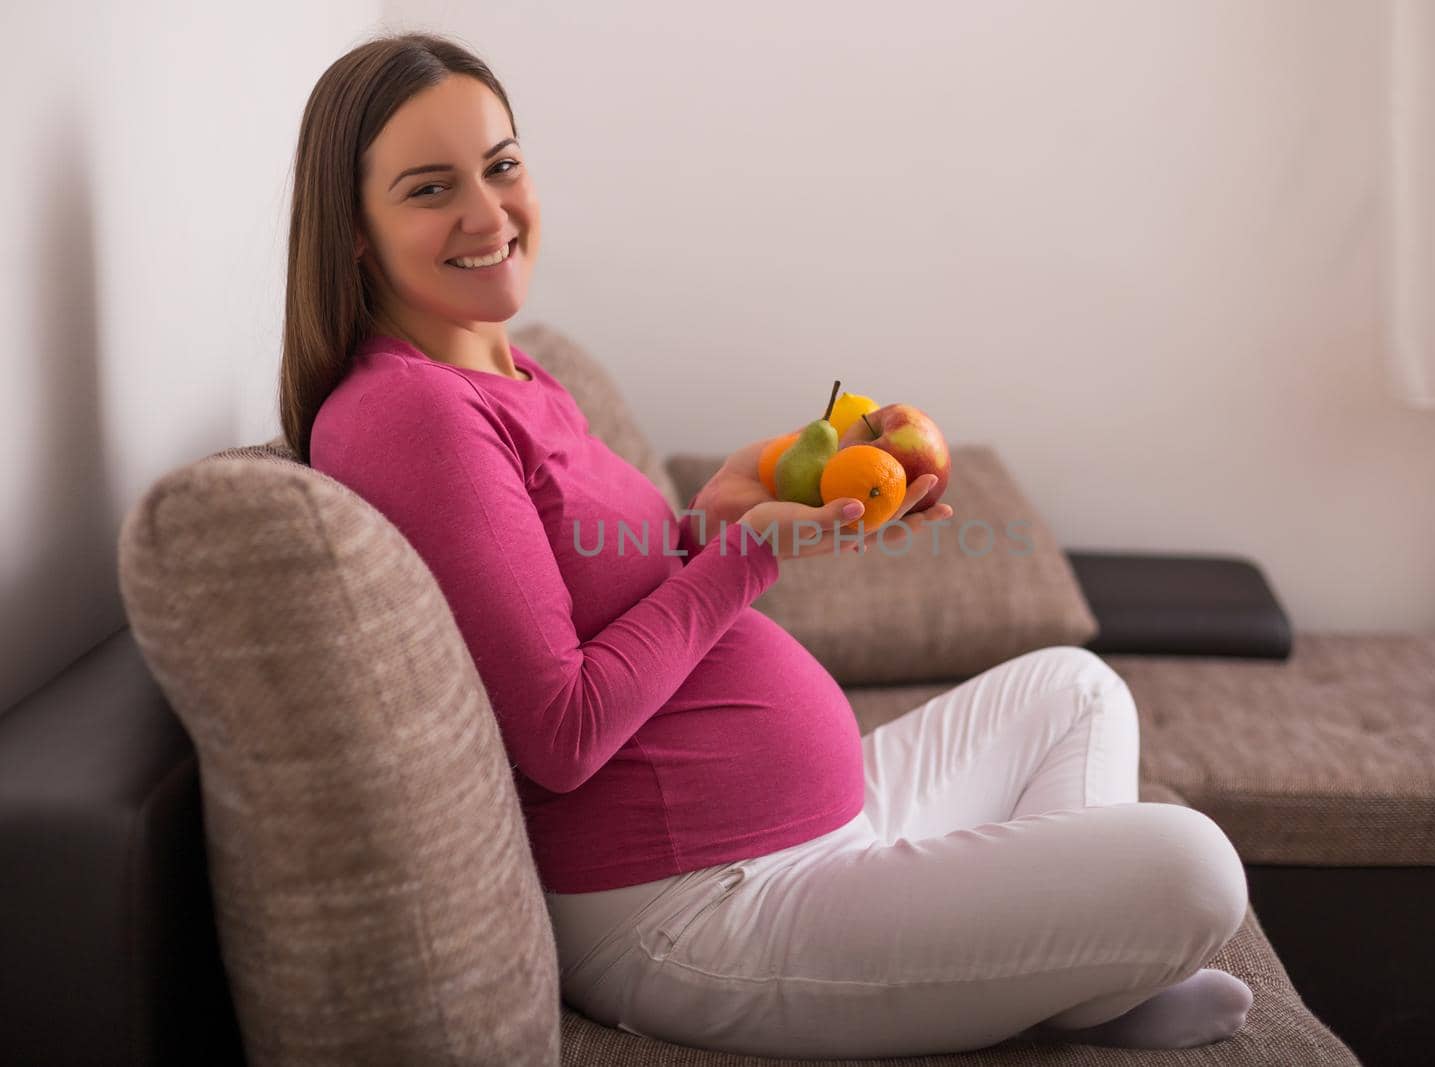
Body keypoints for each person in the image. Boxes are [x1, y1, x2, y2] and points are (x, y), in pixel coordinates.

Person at [286, 31, 1254, 1059]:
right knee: (1195, 868)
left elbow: (603, 588)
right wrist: (745, 554)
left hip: (810, 833)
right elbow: (559, 732)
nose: (488, 213)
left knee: (1075, 688)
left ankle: (1062, 974)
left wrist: (709, 515)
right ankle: (1074, 976)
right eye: (431, 189)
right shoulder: (412, 415)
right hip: (693, 908)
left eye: (502, 164)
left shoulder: (516, 371)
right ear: (353, 230)